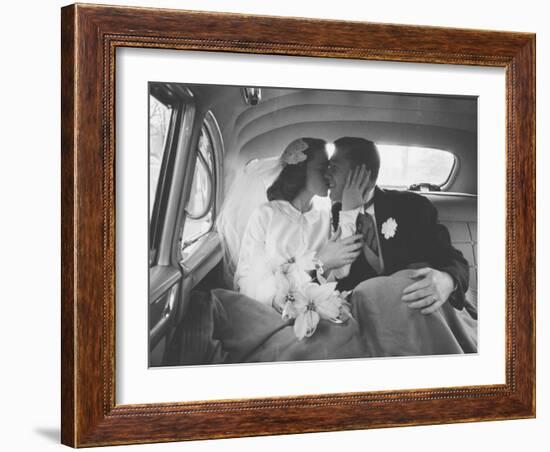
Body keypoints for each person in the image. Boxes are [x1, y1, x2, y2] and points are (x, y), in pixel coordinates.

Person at [176, 138, 371, 364]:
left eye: (330, 167)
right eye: (321, 167)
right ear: (301, 170)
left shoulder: (325, 218)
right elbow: (247, 280)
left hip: (312, 313)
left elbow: (341, 267)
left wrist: (350, 207)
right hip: (263, 312)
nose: (328, 174)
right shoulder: (266, 215)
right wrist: (317, 263)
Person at [325, 136, 477, 356]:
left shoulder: (411, 206)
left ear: (360, 173)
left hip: (421, 316)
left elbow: (454, 261)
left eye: (334, 166)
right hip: (378, 323)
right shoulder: (338, 215)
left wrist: (447, 280)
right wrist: (350, 211)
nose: (326, 174)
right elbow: (344, 282)